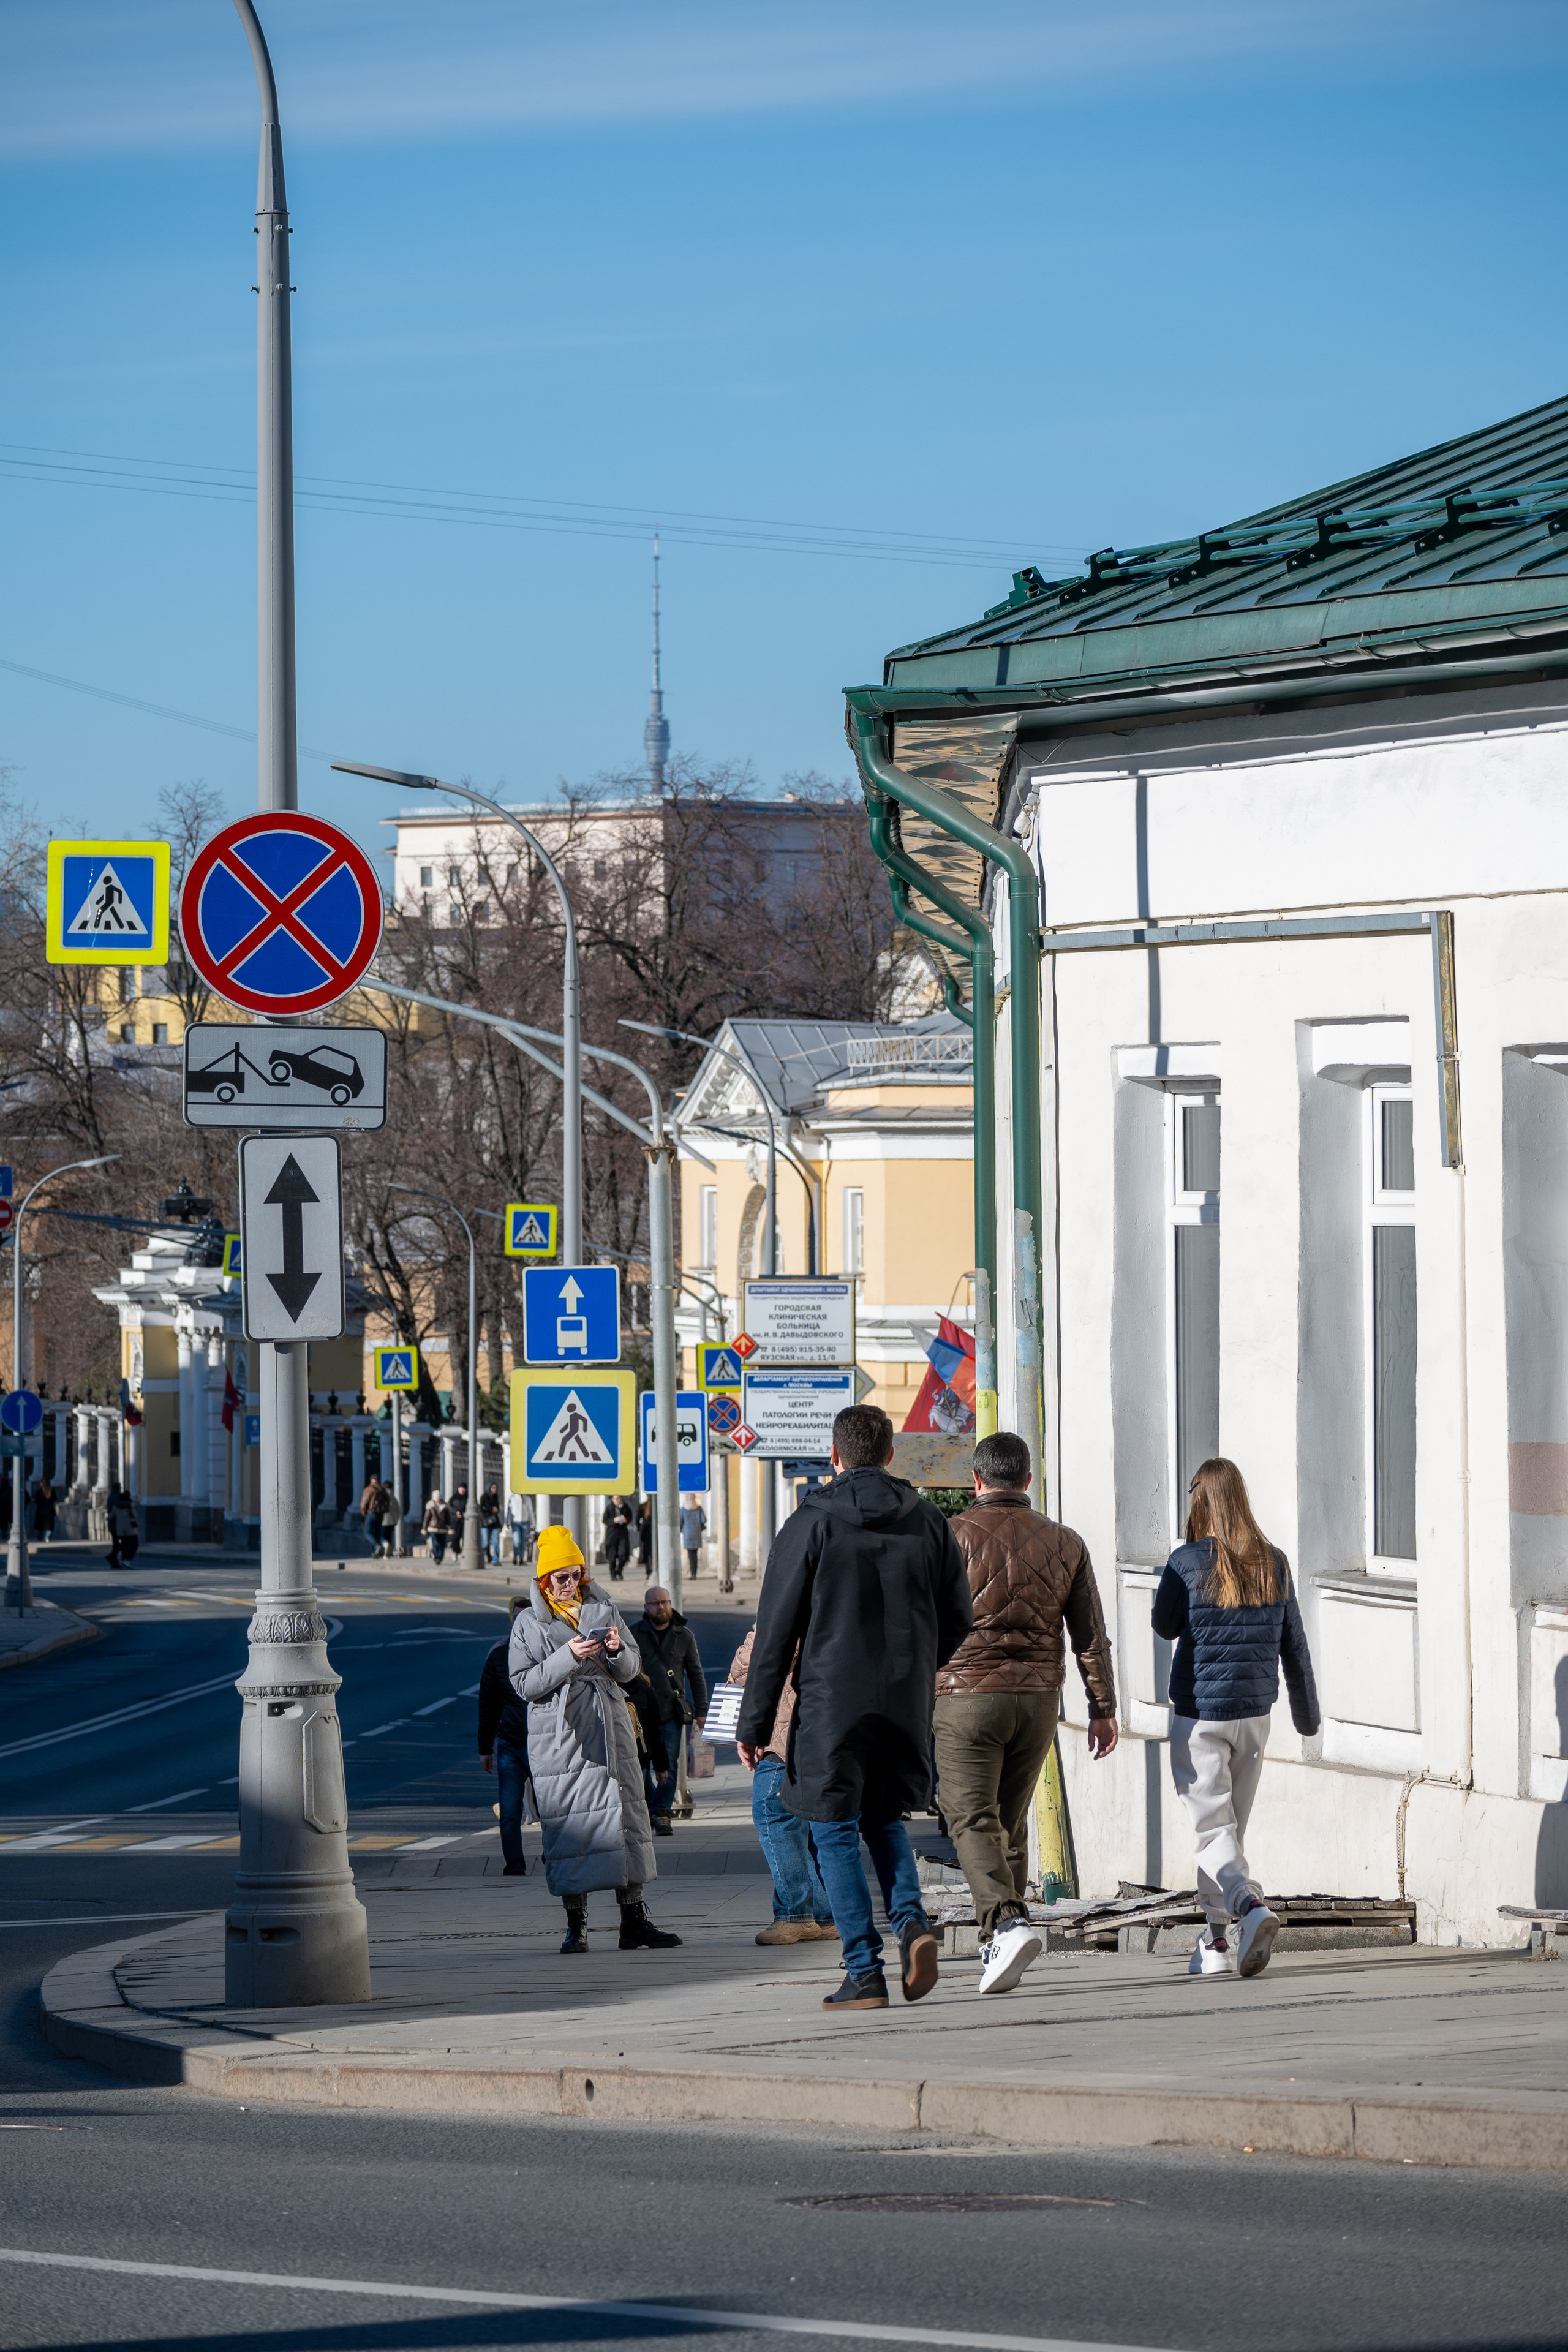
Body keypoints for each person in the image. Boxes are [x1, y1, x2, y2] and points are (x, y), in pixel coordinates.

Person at [737, 1404, 972, 2012]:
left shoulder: (810, 1523)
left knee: (834, 1829)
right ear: (891, 1456)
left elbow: (775, 1633)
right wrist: (917, 1668)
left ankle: (864, 1971)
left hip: (829, 1706)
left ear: (834, 1456)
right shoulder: (927, 1524)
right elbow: (958, 1620)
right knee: (884, 1818)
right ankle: (913, 1925)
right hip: (904, 1701)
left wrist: (755, 1725)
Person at [935, 1430, 1119, 1999]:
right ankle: (1003, 1943)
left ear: (976, 1480)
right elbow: (1090, 1635)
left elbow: (920, 1623)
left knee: (969, 1818)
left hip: (965, 1696)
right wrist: (1102, 1708)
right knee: (1008, 1823)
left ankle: (1006, 1925)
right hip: (1039, 1698)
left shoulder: (948, 1537)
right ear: (1029, 1480)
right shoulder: (1065, 1541)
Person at [1153, 1456, 1321, 1980]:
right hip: (1255, 1715)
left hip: (1201, 1715)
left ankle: (1248, 1906)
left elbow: (1164, 1625)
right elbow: (1294, 1643)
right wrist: (1307, 1715)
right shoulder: (1275, 1562)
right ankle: (1216, 1939)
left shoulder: (1187, 1561)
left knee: (1212, 1831)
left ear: (1200, 1501)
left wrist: (1182, 1569)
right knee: (1226, 1833)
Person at [510, 1526, 682, 1952]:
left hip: (610, 1722)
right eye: (561, 1578)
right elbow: (524, 1684)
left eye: (576, 1575)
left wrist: (617, 1650)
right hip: (562, 1735)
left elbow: (631, 1668)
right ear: (543, 1581)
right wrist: (568, 1656)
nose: (571, 1585)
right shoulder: (529, 1623)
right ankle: (577, 1925)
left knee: (626, 1818)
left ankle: (634, 1919)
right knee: (572, 1827)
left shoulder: (602, 1607)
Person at [729, 1623, 836, 1944]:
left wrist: (758, 1629)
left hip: (786, 1738)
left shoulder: (789, 1606)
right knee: (816, 1827)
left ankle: (796, 1914)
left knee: (774, 1816)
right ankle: (824, 1915)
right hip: (827, 1732)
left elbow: (750, 1670)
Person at [634, 1584, 709, 1834]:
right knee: (641, 1764)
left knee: (670, 1763)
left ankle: (663, 1812)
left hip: (670, 1711)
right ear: (646, 1608)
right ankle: (652, 1806)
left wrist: (702, 1710)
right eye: (655, 1603)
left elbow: (696, 1674)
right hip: (640, 1712)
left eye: (664, 1602)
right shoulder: (635, 1634)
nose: (661, 1607)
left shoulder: (684, 1636)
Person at [478, 1596, 531, 1875]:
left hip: (544, 1743)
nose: (521, 1623)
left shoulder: (547, 1650)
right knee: (510, 1813)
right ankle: (515, 1866)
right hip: (511, 1744)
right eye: (517, 1618)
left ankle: (554, 1858)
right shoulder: (499, 1654)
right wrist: (485, 1748)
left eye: (527, 1618)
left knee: (552, 1810)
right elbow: (487, 1703)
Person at [105, 1482, 138, 1570]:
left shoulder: (112, 1496)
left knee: (121, 1544)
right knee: (121, 1545)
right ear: (118, 1488)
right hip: (116, 1525)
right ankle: (114, 1558)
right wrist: (130, 1504)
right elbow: (119, 1505)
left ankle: (115, 1560)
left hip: (116, 1525)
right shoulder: (116, 1497)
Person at [604, 1496, 633, 1582]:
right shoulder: (609, 1508)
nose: (618, 1500)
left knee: (623, 1554)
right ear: (612, 1499)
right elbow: (605, 1520)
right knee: (612, 1556)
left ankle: (619, 1570)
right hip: (612, 1534)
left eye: (619, 1498)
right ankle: (613, 1574)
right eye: (616, 1498)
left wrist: (626, 1520)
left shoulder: (626, 1507)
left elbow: (630, 1517)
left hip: (622, 1533)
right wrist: (613, 1521)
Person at [680, 1499, 706, 1586]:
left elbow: (680, 1521)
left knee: (690, 1554)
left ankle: (692, 1573)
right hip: (697, 1533)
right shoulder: (699, 1508)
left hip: (687, 1534)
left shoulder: (683, 1509)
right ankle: (694, 1573)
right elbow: (704, 1520)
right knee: (695, 1554)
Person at [360, 1474, 385, 1559]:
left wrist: (364, 1515)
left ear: (371, 1480)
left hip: (371, 1513)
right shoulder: (382, 1490)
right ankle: (376, 1553)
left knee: (368, 1532)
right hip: (381, 1514)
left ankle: (376, 1546)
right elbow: (388, 1502)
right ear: (379, 1480)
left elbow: (364, 1505)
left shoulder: (369, 1489)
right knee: (377, 1533)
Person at [421, 1491, 451, 1565]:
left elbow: (448, 1519)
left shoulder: (445, 1507)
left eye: (438, 1499)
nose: (437, 1500)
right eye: (436, 1499)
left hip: (443, 1528)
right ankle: (437, 1557)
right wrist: (424, 1528)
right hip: (433, 1528)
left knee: (442, 1544)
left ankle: (440, 1557)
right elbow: (427, 1518)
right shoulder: (430, 1506)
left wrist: (450, 1528)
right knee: (436, 1543)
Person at [507, 1491, 534, 1568]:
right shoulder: (513, 1498)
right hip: (516, 1522)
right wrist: (508, 1522)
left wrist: (533, 1524)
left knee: (523, 1542)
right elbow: (509, 1511)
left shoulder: (527, 1498)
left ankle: (521, 1559)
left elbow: (530, 1511)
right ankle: (516, 1555)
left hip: (525, 1522)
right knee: (517, 1541)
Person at [479, 1485, 502, 1566]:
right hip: (485, 1523)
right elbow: (481, 1509)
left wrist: (497, 1510)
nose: (495, 1490)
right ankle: (483, 1557)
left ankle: (495, 1560)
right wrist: (491, 1509)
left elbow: (498, 1508)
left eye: (496, 1488)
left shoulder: (496, 1497)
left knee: (496, 1541)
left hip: (495, 1523)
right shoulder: (484, 1497)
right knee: (485, 1543)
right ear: (489, 1488)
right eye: (493, 1488)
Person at [379, 1485, 404, 1560]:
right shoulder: (394, 1498)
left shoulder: (382, 1497)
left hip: (383, 1521)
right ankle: (387, 1555)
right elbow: (398, 1510)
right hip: (393, 1521)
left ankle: (385, 1545)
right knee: (389, 1537)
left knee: (382, 1536)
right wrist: (396, 1520)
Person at [32, 1474, 57, 1544]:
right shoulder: (51, 1491)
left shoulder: (39, 1492)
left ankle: (40, 1538)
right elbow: (55, 1499)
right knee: (49, 1527)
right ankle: (47, 1537)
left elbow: (36, 1501)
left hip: (41, 1511)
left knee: (40, 1526)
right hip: (50, 1511)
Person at [636, 1496, 654, 1576]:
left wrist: (640, 1528)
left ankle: (649, 1571)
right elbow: (637, 1519)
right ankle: (650, 1570)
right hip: (650, 1530)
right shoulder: (643, 1506)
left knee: (648, 1552)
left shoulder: (643, 1505)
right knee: (649, 1552)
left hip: (646, 1530)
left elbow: (637, 1519)